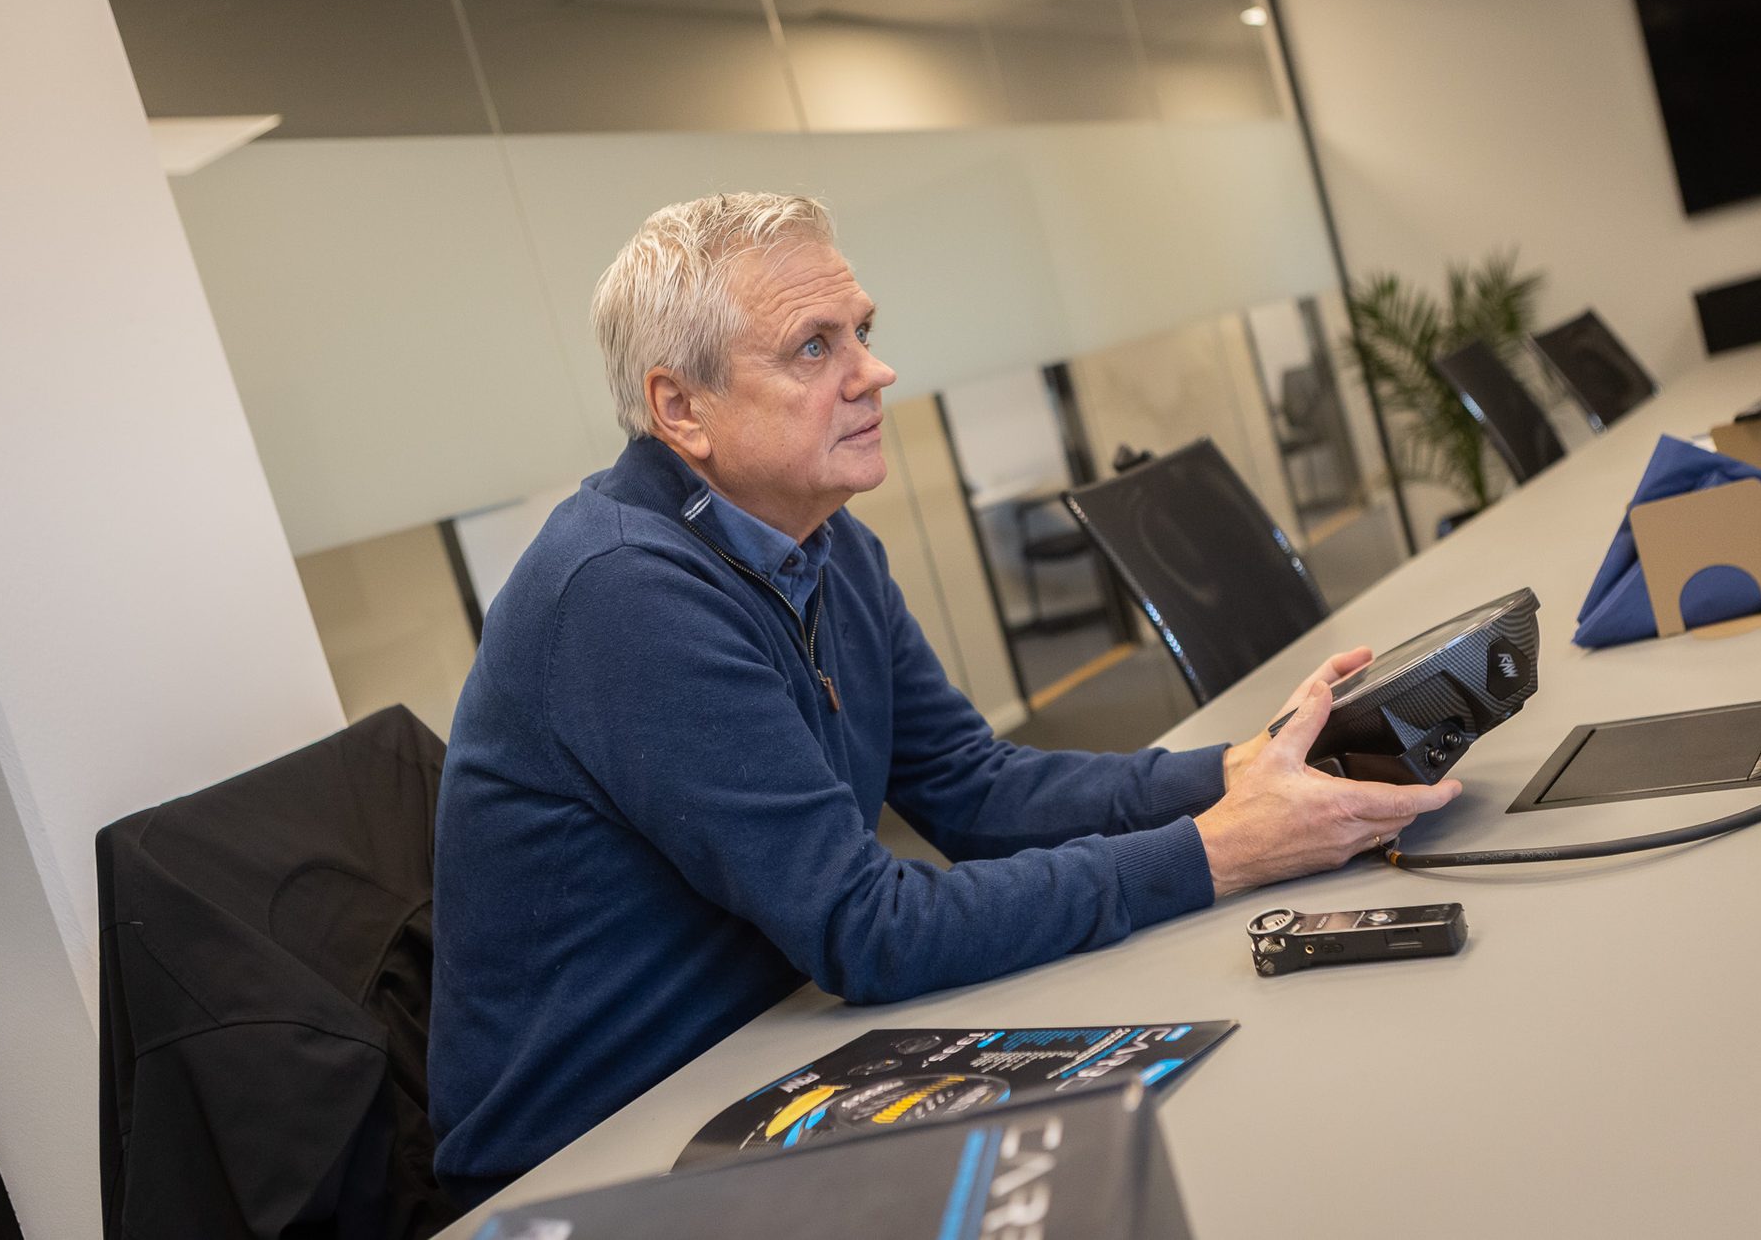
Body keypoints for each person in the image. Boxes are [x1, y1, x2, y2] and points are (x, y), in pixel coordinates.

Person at [428, 193, 1459, 1203]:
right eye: (813, 348)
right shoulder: (621, 593)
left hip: (763, 1044)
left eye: (863, 331)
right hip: (592, 1151)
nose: (875, 371)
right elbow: (868, 928)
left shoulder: (827, 547)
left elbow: (976, 787)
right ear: (679, 408)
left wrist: (1240, 767)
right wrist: (1225, 848)